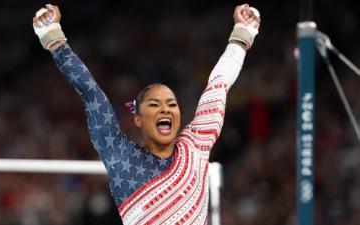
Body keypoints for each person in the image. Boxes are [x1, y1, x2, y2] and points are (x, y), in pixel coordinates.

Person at [32, 3, 261, 224]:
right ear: (138, 119)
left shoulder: (195, 145)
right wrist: (54, 38)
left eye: (172, 104)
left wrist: (242, 33)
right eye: (154, 105)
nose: (165, 109)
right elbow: (92, 94)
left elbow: (219, 84)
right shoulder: (121, 158)